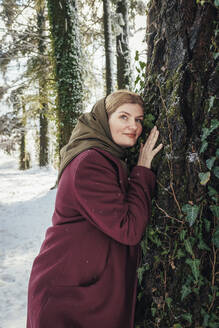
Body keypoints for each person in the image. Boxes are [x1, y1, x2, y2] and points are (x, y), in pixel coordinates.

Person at [26, 90, 162, 328]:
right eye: (123, 117)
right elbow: (128, 229)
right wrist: (141, 171)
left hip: (81, 290)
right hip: (68, 299)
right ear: (103, 118)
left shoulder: (104, 157)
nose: (133, 126)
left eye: (138, 119)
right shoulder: (90, 162)